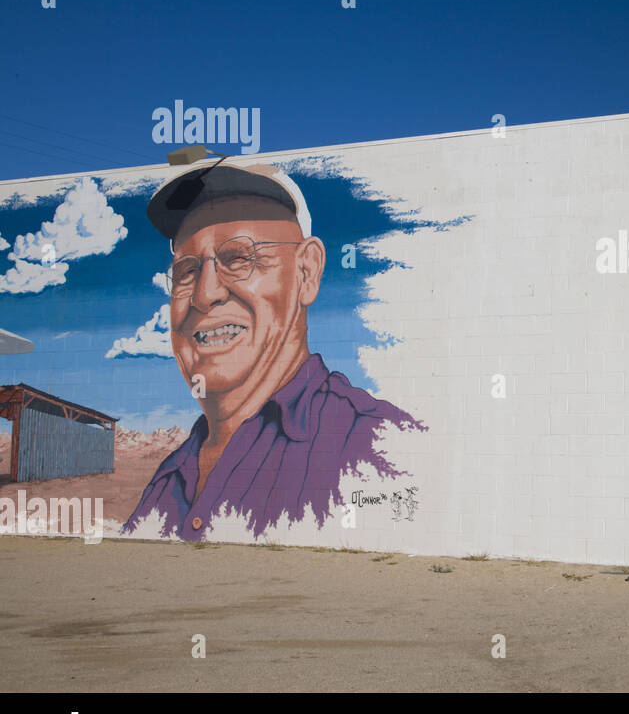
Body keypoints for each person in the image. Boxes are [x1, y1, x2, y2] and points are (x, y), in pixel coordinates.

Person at [124, 163, 420, 541]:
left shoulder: (376, 444)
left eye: (237, 259)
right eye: (186, 271)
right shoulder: (168, 480)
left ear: (306, 274)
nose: (204, 294)